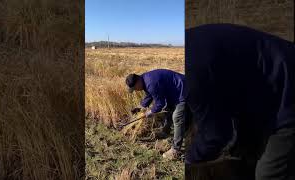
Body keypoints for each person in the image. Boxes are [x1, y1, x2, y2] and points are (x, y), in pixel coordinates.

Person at [185, 23, 295, 180]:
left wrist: (190, 160)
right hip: (257, 93)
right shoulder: (188, 52)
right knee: (242, 156)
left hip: (286, 91)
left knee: (269, 173)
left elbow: (216, 134)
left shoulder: (192, 72)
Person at [125, 69, 188, 159]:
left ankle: (176, 150)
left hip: (182, 90)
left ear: (138, 82)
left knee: (177, 118)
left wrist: (150, 112)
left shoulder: (151, 83)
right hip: (173, 93)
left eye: (135, 88)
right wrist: (140, 107)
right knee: (168, 111)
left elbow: (160, 104)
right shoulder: (145, 79)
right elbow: (150, 95)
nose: (135, 90)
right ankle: (165, 132)